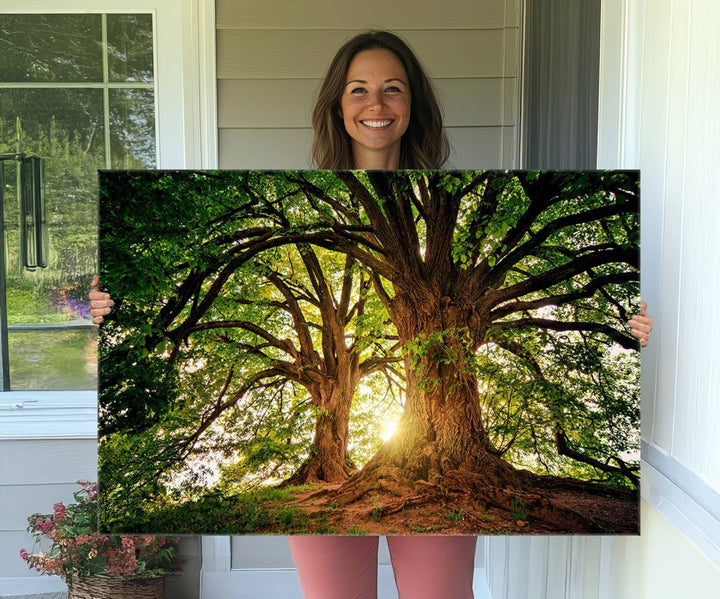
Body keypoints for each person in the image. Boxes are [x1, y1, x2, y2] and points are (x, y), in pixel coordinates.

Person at [89, 30, 653, 599]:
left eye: (393, 89)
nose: (376, 105)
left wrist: (633, 329)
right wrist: (113, 312)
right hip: (344, 487)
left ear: (413, 105)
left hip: (441, 482)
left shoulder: (465, 191)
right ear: (338, 105)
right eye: (358, 90)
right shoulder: (291, 193)